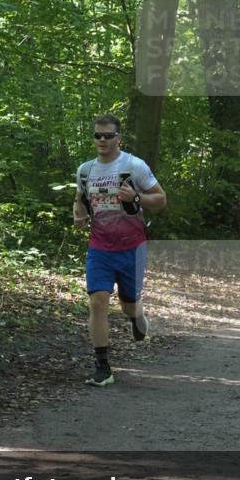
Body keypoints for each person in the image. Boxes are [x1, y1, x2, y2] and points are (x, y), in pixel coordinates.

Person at [73, 114, 166, 386]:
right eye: (97, 136)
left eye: (107, 136)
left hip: (131, 248)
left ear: (118, 138)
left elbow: (160, 199)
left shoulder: (134, 166)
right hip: (99, 248)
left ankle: (137, 317)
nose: (101, 140)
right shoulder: (85, 170)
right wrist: (78, 215)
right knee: (97, 301)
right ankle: (102, 367)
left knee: (129, 305)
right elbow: (79, 200)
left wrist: (136, 197)